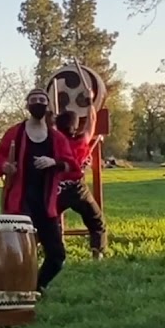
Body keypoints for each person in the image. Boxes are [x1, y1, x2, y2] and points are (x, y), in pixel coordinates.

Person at [0, 89, 78, 293]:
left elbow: (72, 166)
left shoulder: (56, 138)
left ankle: (36, 287)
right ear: (27, 105)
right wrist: (5, 167)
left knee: (57, 256)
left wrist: (54, 162)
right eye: (34, 100)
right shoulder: (15, 133)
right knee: (19, 251)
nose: (38, 103)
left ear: (47, 106)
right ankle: (14, 288)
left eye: (42, 100)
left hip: (46, 204)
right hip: (20, 202)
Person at [53, 110, 107, 259]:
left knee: (50, 221)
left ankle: (53, 249)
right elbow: (92, 121)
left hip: (58, 190)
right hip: (78, 189)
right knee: (97, 220)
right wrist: (90, 102)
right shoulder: (82, 141)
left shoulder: (54, 143)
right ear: (75, 126)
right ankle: (98, 250)